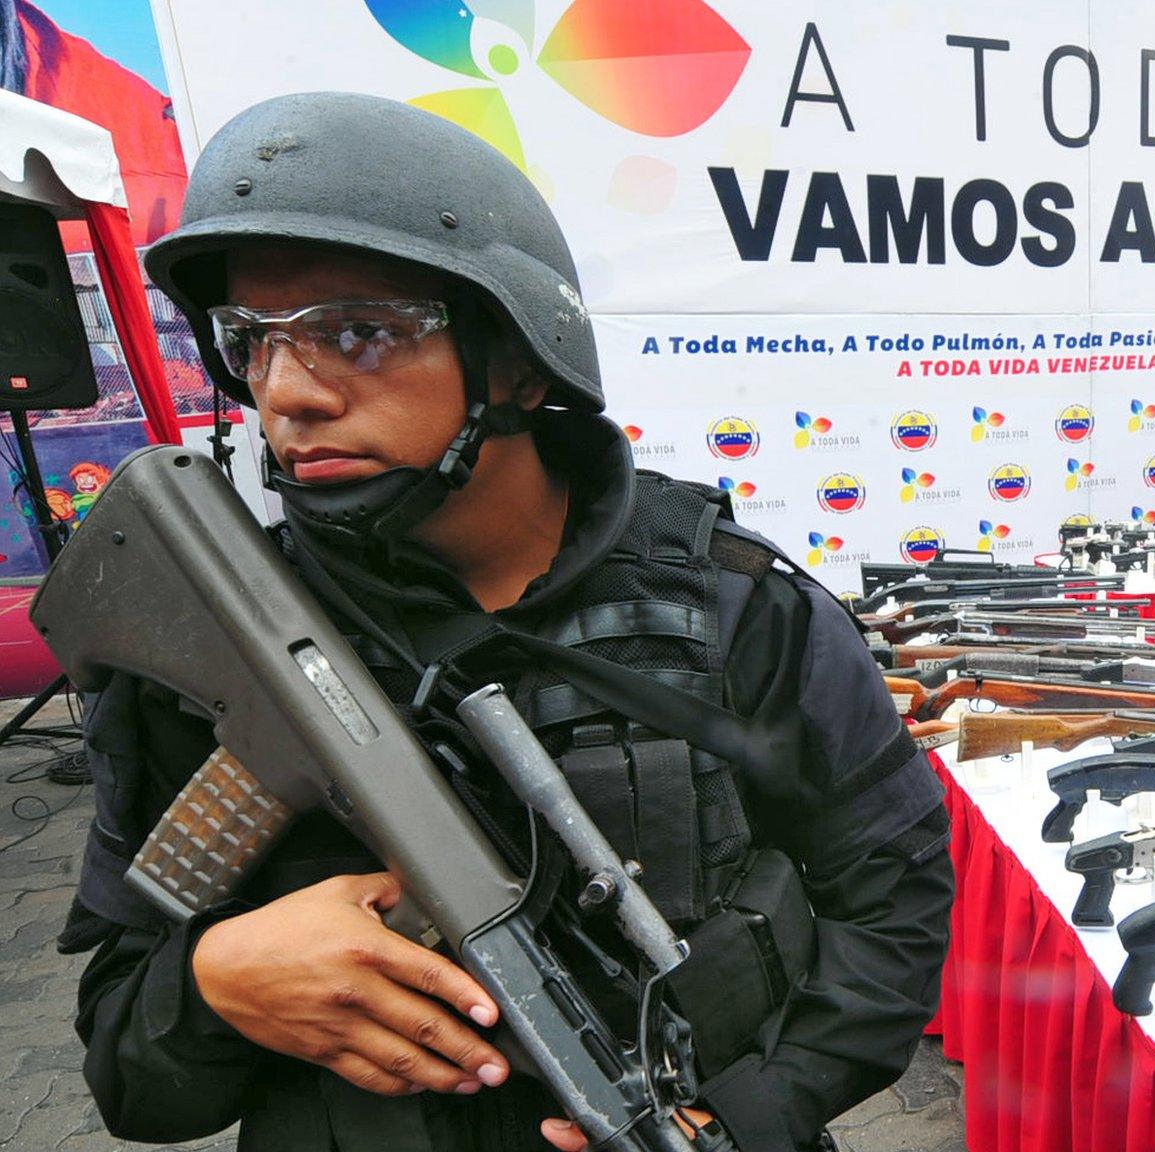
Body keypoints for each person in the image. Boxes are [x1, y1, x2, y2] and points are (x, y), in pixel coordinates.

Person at [60, 93, 952, 1152]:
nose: (286, 392)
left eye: (358, 332)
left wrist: (748, 1114)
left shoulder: (735, 604)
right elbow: (131, 1076)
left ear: (519, 360)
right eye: (248, 340)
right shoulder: (212, 644)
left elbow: (890, 905)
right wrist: (213, 987)